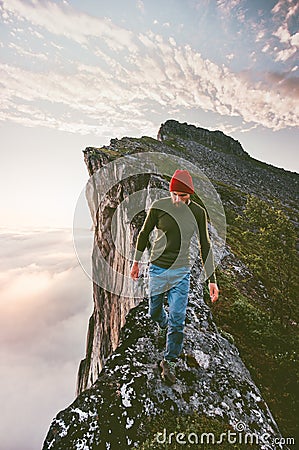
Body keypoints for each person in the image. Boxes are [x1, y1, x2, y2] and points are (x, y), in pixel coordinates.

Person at [130, 169, 219, 384]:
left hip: (181, 271)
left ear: (191, 194)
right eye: (175, 195)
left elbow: (205, 244)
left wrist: (212, 280)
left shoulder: (197, 213)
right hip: (158, 269)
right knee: (154, 313)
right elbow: (143, 233)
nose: (178, 199)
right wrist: (135, 262)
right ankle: (163, 325)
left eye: (183, 196)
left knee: (178, 318)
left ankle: (168, 361)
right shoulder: (159, 206)